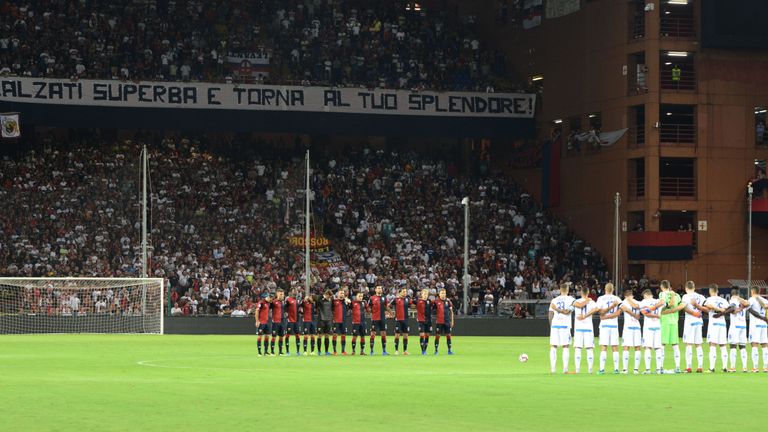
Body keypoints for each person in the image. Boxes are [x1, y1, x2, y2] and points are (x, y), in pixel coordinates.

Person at [659, 280, 685, 373]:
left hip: (665, 322)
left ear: (662, 287)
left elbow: (664, 306)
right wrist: (674, 310)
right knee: (675, 345)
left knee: (662, 344)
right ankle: (677, 367)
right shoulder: (677, 295)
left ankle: (661, 367)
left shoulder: (662, 294)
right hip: (674, 322)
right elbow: (682, 305)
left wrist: (667, 311)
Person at [596, 283, 622, 374]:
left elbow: (601, 313)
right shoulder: (617, 299)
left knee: (603, 346)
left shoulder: (600, 299)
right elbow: (619, 313)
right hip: (614, 325)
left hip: (604, 325)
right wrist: (612, 308)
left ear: (605, 289)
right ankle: (616, 369)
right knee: (615, 347)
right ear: (613, 289)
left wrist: (606, 316)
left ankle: (602, 369)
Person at [548, 283, 574, 373]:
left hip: (555, 325)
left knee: (553, 347)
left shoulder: (554, 300)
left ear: (560, 290)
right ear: (567, 290)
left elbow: (550, 314)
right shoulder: (571, 300)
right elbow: (567, 312)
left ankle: (553, 369)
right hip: (565, 325)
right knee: (565, 346)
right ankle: (565, 369)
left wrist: (551, 325)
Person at [681, 281, 706, 373]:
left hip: (690, 321)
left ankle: (688, 367)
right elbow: (704, 307)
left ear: (686, 288)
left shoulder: (685, 296)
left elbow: (685, 308)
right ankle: (700, 366)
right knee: (698, 344)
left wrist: (693, 313)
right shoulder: (701, 297)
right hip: (699, 321)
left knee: (688, 344)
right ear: (694, 288)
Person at [703, 284, 729, 373]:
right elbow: (726, 309)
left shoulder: (709, 299)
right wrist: (720, 309)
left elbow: (708, 306)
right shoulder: (724, 300)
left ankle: (711, 368)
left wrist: (715, 308)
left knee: (712, 344)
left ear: (710, 291)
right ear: (717, 291)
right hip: (722, 324)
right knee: (723, 345)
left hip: (713, 324)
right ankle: (725, 367)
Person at [572, 285, 598, 374]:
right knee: (589, 348)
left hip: (578, 328)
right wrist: (586, 315)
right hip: (588, 328)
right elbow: (597, 309)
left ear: (581, 292)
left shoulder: (576, 301)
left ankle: (577, 369)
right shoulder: (591, 302)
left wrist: (583, 316)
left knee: (578, 348)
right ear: (588, 293)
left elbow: (577, 305)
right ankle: (590, 369)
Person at [724, 289, 750, 372]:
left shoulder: (732, 300)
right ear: (738, 294)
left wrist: (739, 309)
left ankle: (733, 367)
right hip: (743, 325)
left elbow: (732, 311)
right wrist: (742, 307)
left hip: (735, 326)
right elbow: (747, 304)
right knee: (742, 346)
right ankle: (745, 367)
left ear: (732, 294)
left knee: (733, 346)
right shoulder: (743, 301)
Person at [639, 289, 664, 374]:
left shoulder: (644, 302)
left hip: (648, 327)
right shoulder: (658, 301)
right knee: (658, 348)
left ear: (646, 295)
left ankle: (648, 369)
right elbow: (664, 302)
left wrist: (652, 312)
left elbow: (644, 312)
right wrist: (657, 315)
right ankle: (658, 369)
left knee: (648, 347)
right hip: (657, 327)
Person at [619, 289, 643, 374]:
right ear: (632, 295)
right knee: (637, 347)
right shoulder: (638, 302)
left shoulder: (624, 302)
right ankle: (636, 369)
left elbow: (620, 310)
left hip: (628, 327)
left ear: (625, 296)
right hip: (636, 326)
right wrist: (635, 315)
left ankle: (625, 369)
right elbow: (639, 315)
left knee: (626, 347)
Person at [746, 286, 768, 372]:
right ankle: (766, 367)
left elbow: (749, 309)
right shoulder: (765, 300)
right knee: (764, 345)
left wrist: (760, 317)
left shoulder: (751, 299)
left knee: (754, 345)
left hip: (755, 324)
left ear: (752, 291)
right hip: (764, 324)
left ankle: (755, 367)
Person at [368, 285, 389, 355]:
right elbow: (369, 308)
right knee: (373, 334)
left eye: (381, 288)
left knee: (383, 334)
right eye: (378, 288)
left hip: (383, 318)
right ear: (375, 290)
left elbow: (386, 307)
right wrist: (371, 312)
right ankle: (371, 351)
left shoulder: (384, 297)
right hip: (375, 318)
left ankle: (384, 351)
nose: (380, 289)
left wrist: (390, 313)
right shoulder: (372, 298)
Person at [433, 288, 454, 355]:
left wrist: (452, 321)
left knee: (448, 335)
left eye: (444, 293)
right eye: (442, 293)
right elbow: (432, 310)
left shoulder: (448, 302)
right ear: (439, 294)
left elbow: (451, 312)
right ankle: (436, 350)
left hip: (447, 321)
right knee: (437, 336)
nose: (443, 294)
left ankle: (449, 350)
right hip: (439, 321)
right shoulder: (436, 302)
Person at [391, 288, 411, 355]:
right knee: (397, 335)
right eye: (403, 291)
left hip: (406, 320)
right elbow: (388, 306)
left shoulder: (407, 299)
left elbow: (412, 305)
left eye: (405, 291)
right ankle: (396, 350)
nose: (405, 293)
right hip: (398, 320)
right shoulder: (396, 299)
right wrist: (391, 313)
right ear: (400, 292)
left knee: (405, 336)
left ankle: (405, 350)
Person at [331, 289, 351, 355]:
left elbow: (349, 308)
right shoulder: (334, 301)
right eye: (340, 293)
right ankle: (334, 351)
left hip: (343, 321)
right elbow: (331, 310)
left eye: (343, 293)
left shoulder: (346, 302)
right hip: (336, 321)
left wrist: (348, 302)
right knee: (335, 335)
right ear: (337, 294)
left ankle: (343, 351)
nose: (342, 294)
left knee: (343, 335)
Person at [415, 288, 433, 355]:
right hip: (421, 320)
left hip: (428, 321)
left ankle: (425, 349)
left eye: (426, 294)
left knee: (427, 335)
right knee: (422, 335)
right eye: (424, 294)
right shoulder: (418, 301)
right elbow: (411, 303)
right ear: (421, 294)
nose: (425, 295)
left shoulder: (429, 301)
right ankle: (422, 350)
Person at [284, 289, 301, 355]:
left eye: (296, 291)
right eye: (294, 291)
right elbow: (285, 307)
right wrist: (286, 313)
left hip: (296, 321)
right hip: (290, 320)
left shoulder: (297, 300)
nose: (295, 292)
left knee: (297, 335)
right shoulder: (288, 300)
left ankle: (298, 351)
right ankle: (287, 351)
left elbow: (299, 309)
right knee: (288, 335)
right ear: (291, 292)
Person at [317, 290, 334, 356]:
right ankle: (319, 351)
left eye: (330, 296)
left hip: (328, 320)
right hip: (321, 320)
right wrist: (322, 296)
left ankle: (326, 351)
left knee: (327, 335)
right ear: (326, 294)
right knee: (319, 335)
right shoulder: (321, 300)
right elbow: (318, 302)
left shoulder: (331, 300)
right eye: (328, 296)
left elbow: (333, 308)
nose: (329, 297)